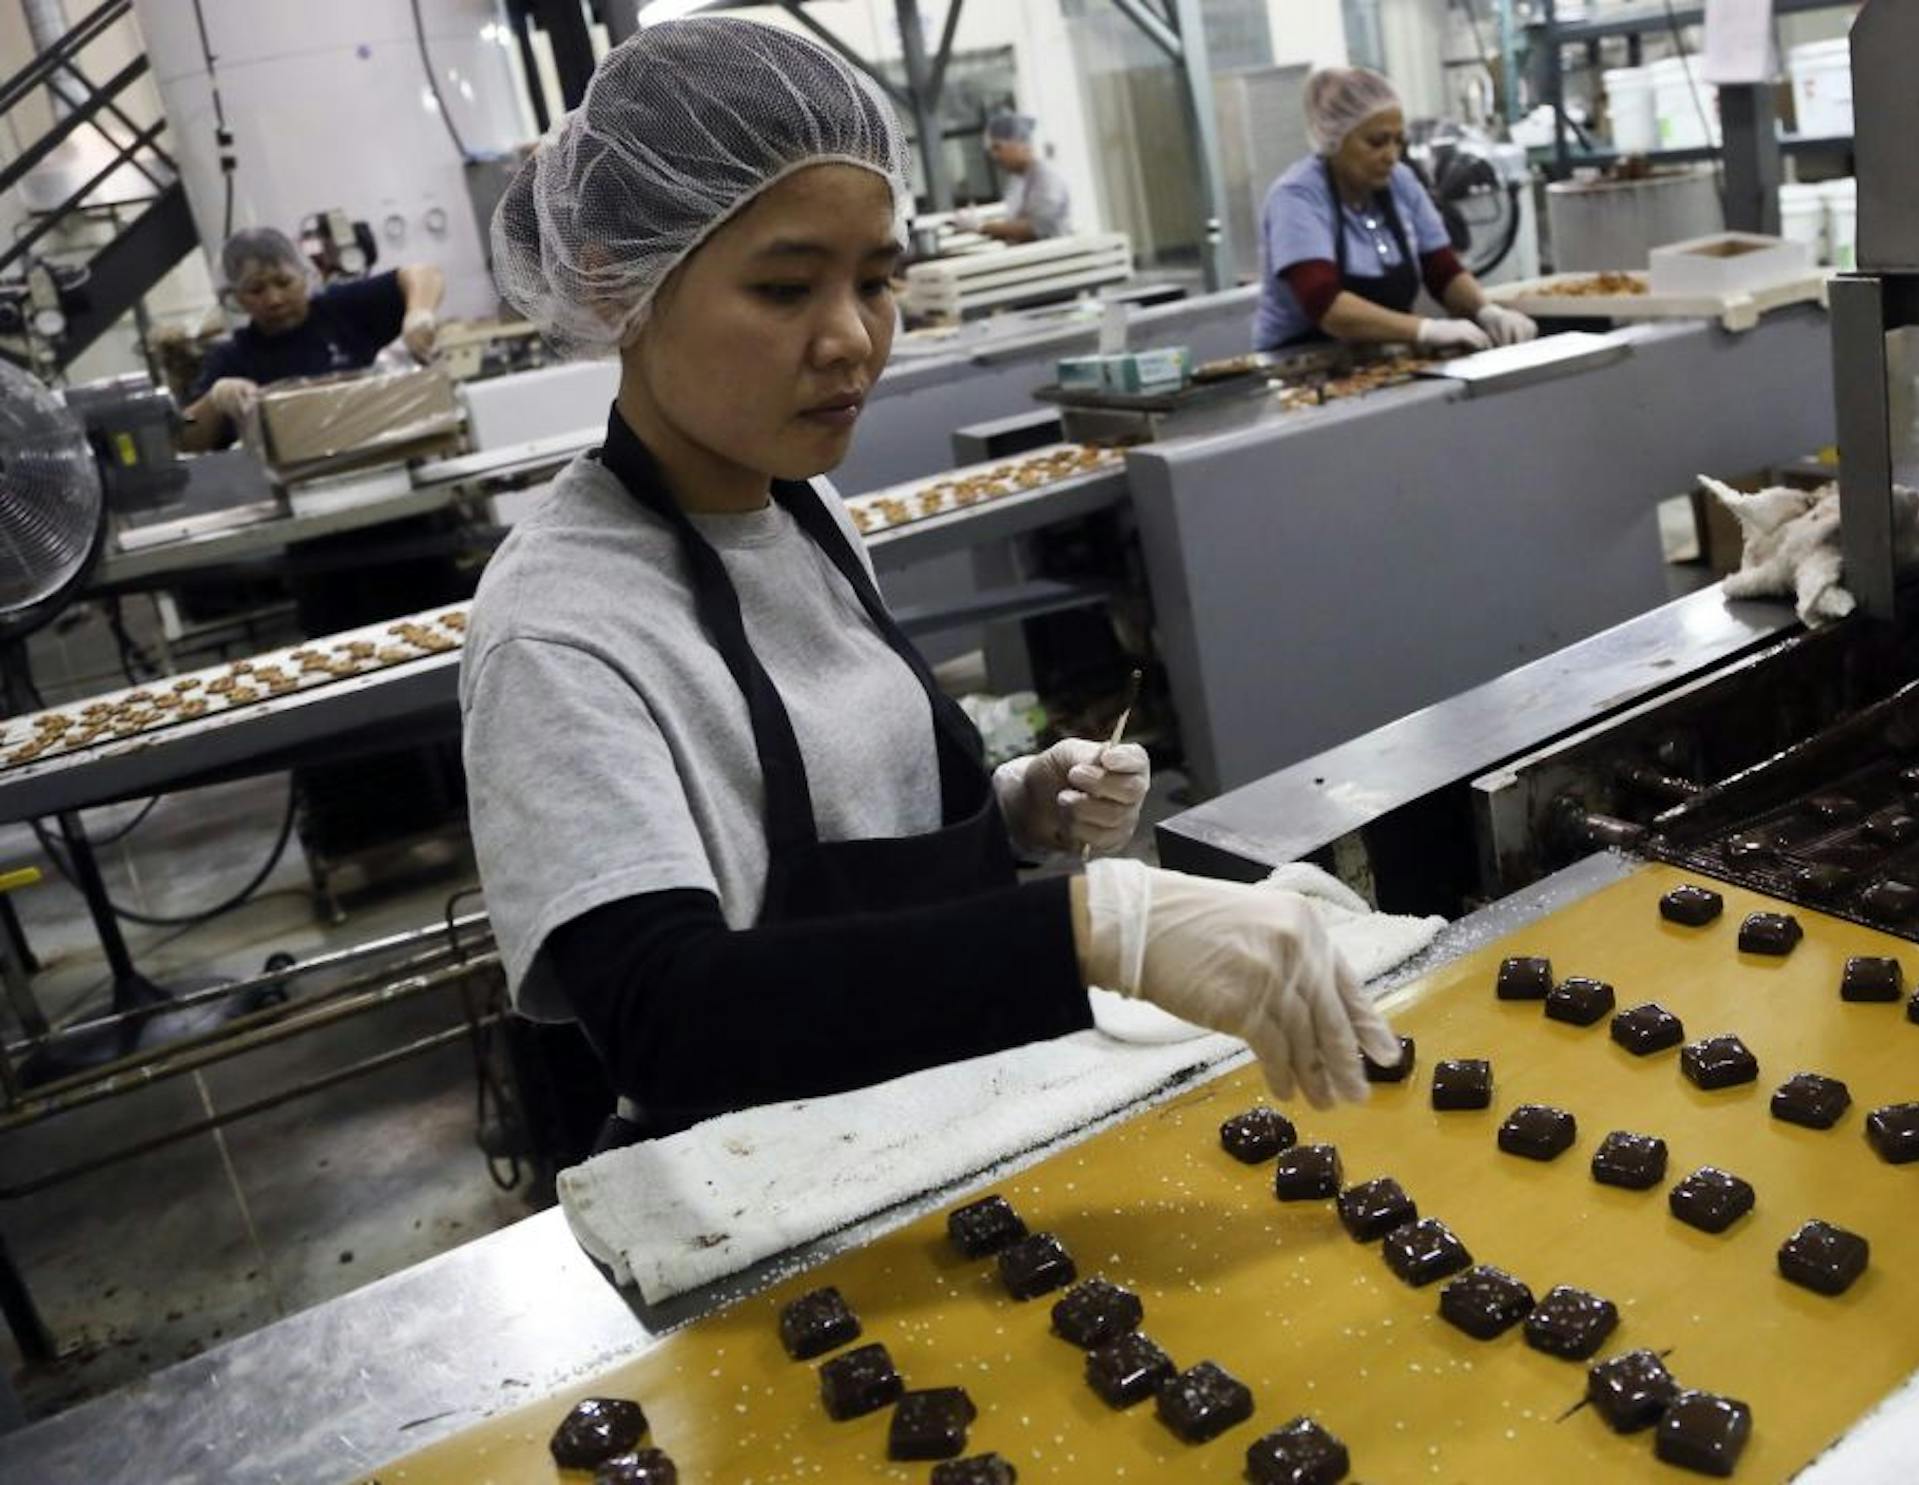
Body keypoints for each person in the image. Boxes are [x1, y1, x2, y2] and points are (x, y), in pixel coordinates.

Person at [465, 17, 1396, 1150]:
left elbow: (826, 848)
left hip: (940, 1124)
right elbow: (669, 1016)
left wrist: (1010, 816)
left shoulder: (801, 509)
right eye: (784, 288)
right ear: (620, 287)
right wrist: (1099, 926)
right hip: (769, 1197)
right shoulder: (560, 628)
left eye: (878, 280)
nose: (852, 339)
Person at [1253, 67, 1538, 354]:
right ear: (1334, 139)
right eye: (1376, 142)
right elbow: (1326, 306)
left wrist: (1486, 311)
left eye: (1398, 141)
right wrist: (1425, 329)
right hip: (1300, 365)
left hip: (1376, 358)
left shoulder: (1400, 181)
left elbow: (1442, 270)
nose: (1391, 155)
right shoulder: (1297, 197)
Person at [179, 227, 446, 452]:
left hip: (384, 460)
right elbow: (186, 438)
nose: (274, 299)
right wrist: (214, 402)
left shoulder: (343, 309)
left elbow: (423, 274)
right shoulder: (235, 356)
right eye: (256, 290)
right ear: (235, 297)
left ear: (305, 277)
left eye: (284, 283)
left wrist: (419, 312)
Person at [958, 111, 1071, 243]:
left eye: (998, 147)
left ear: (1020, 143)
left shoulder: (1046, 178)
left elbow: (1038, 227)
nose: (994, 156)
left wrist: (981, 226)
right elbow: (1014, 225)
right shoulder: (1018, 180)